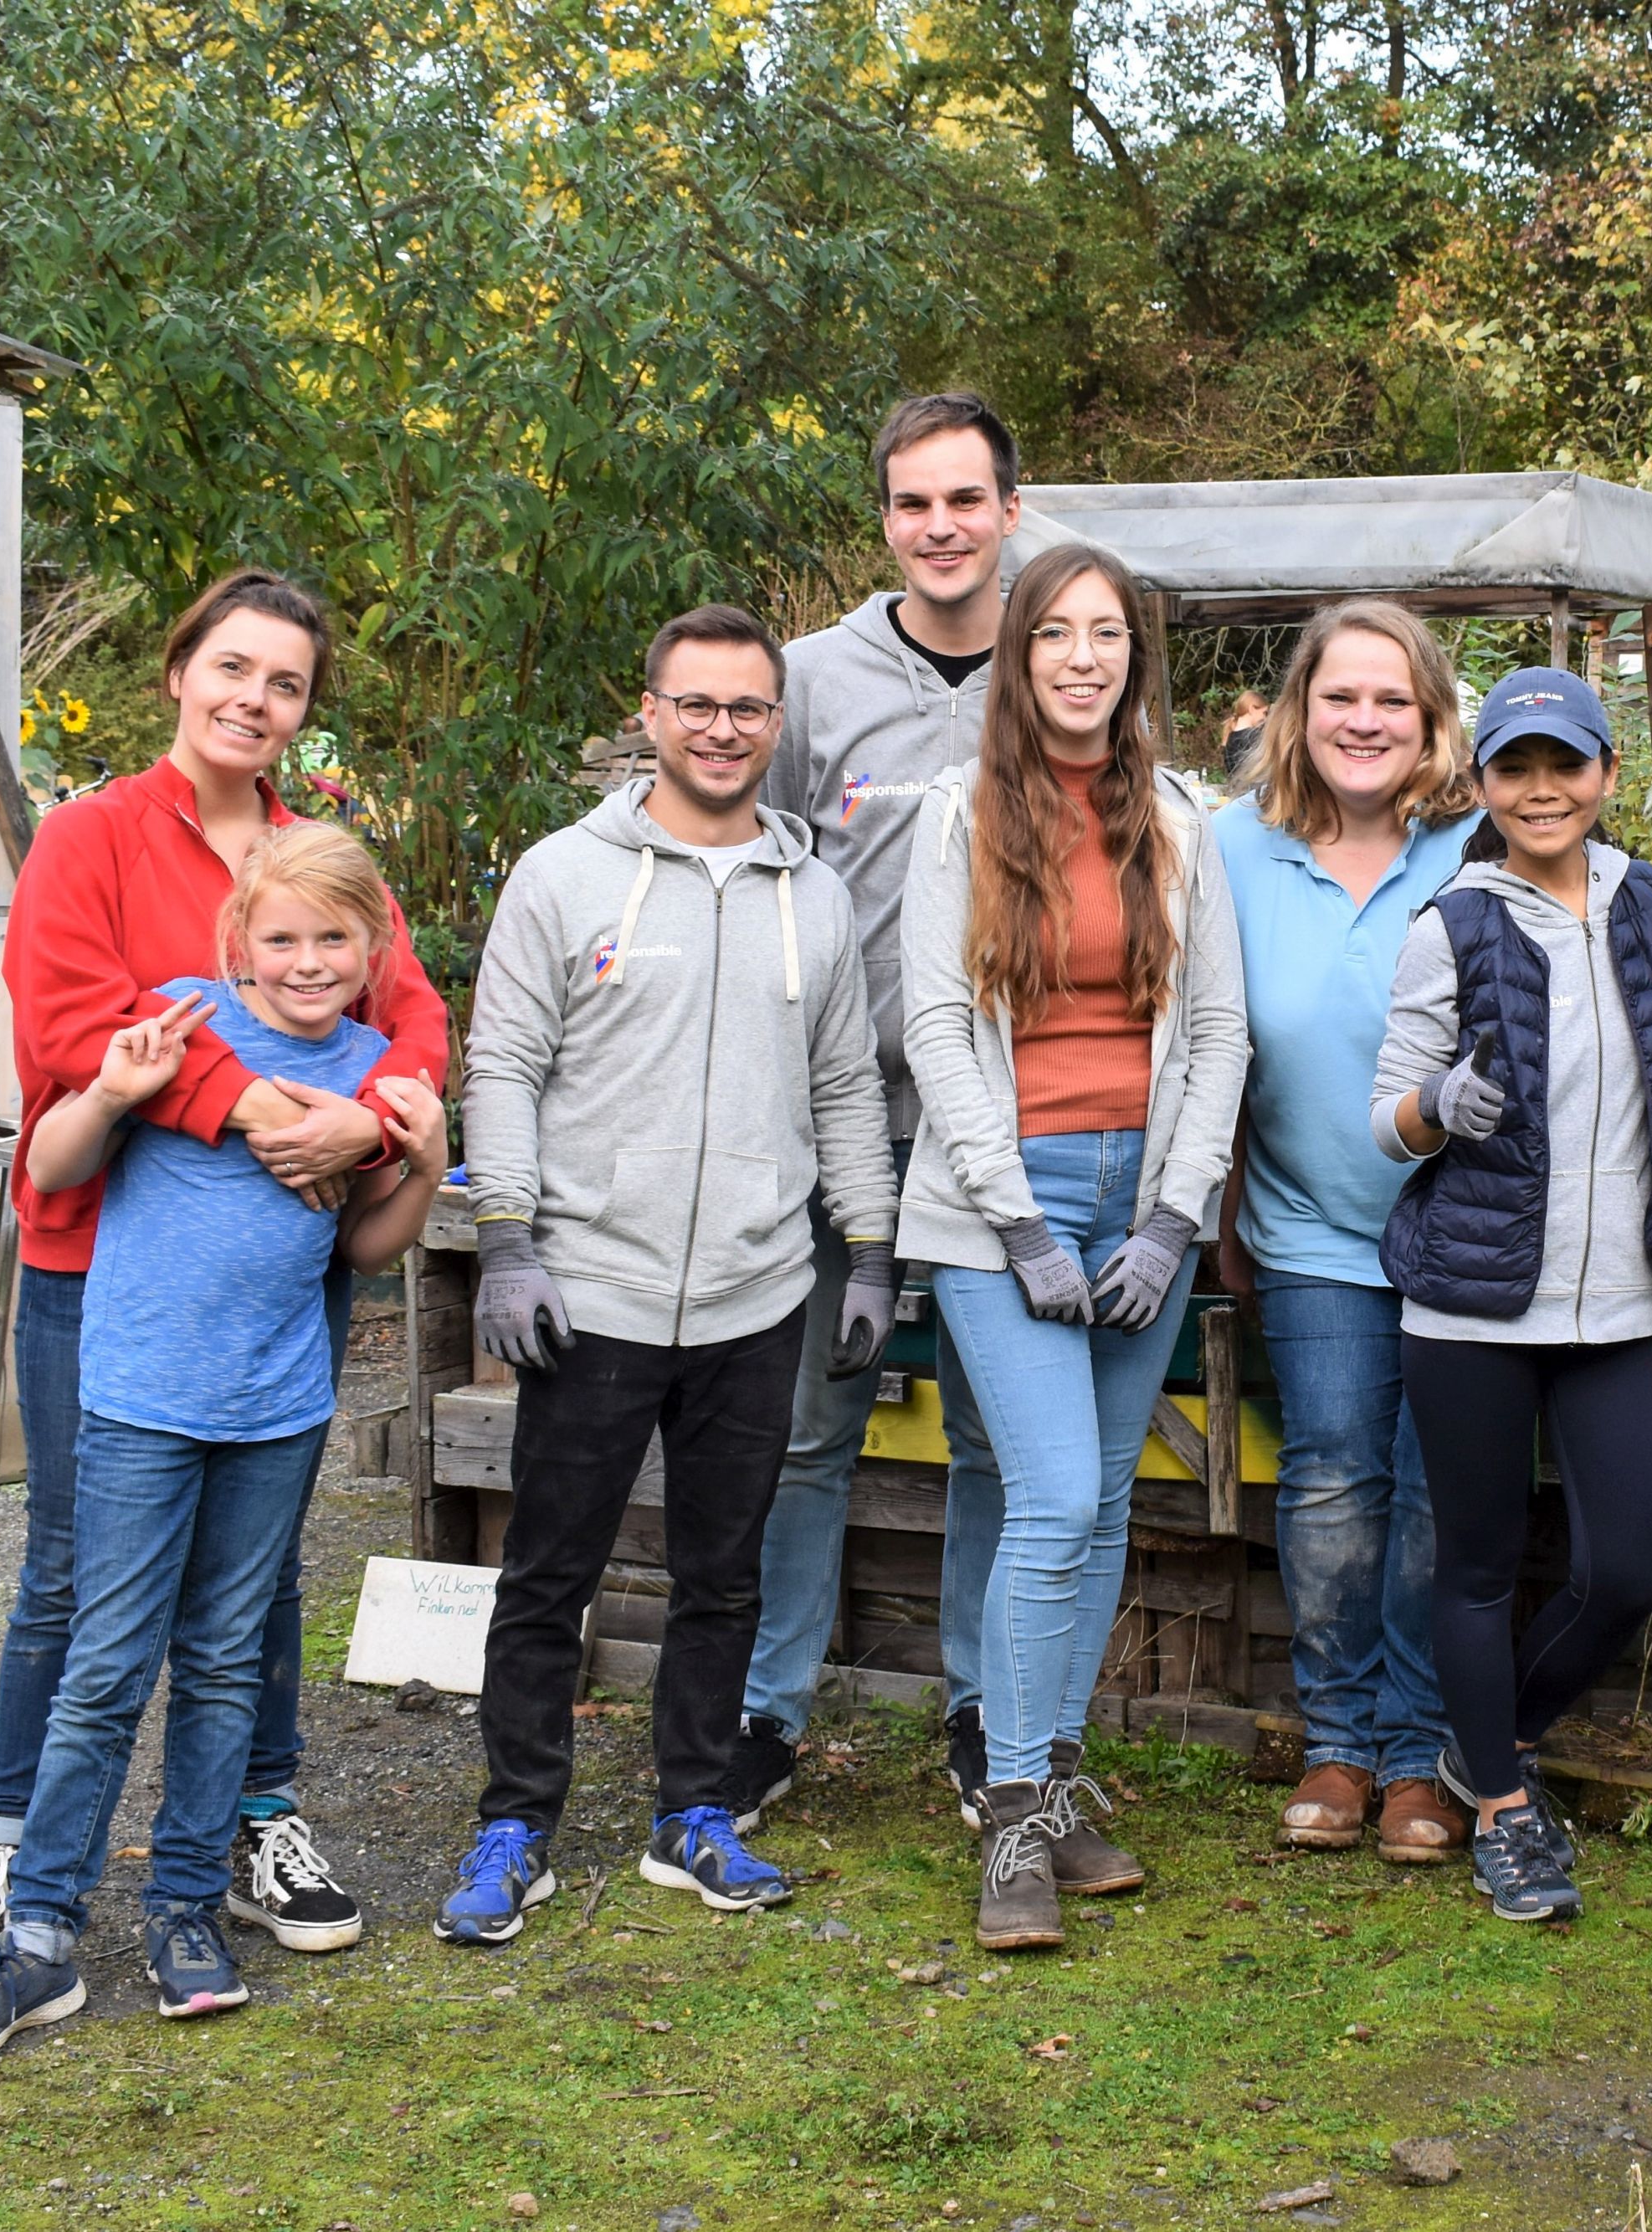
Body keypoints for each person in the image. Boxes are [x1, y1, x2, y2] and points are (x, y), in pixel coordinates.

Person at [0, 572, 447, 1995]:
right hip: (109, 1269)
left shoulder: (315, 853)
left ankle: (252, 1820)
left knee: (251, 1582)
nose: (255, 701)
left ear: (306, 711)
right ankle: (15, 1846)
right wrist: (266, 1107)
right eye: (234, 669)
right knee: (79, 1574)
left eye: (287, 685)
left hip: (284, 1266)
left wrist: (378, 1113)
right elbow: (76, 1019)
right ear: (179, 672)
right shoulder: (91, 837)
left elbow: (412, 1010)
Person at [437, 603, 900, 1945]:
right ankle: (515, 1817)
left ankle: (693, 1809)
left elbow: (843, 1090)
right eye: (695, 704)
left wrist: (866, 1247)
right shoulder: (565, 876)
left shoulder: (813, 897)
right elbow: (504, 1061)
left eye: (748, 707)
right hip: (592, 1291)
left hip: (759, 1294)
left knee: (725, 1570)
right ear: (649, 712)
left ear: (776, 723)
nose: (721, 728)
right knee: (548, 1569)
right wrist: (509, 1238)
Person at [898, 544, 1248, 1953]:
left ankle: (1049, 1775)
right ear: (1020, 654)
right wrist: (1024, 1224)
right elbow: (935, 1027)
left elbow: (1217, 1028)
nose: (1085, 657)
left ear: (1135, 660)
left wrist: (1174, 1216)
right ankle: (1014, 1809)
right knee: (1047, 1497)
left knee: (1102, 1502)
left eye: (1110, 635)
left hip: (1138, 1195)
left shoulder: (1180, 817)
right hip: (1003, 1206)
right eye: (1059, 633)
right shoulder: (956, 814)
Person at [1371, 665, 1652, 1927]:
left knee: (1627, 1570)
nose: (1543, 788)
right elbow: (1382, 1125)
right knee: (1480, 1566)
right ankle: (1504, 1807)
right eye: (1517, 767)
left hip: (1617, 1300)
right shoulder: (1448, 923)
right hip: (1472, 1301)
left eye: (1568, 763)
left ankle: (1472, 1748)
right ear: (1485, 784)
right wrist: (1437, 1106)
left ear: (1607, 774)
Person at [743, 392, 1018, 1829]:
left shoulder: (1058, 661)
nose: (939, 527)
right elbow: (760, 866)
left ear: (1007, 512)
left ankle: (984, 1709)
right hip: (841, 1119)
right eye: (914, 503)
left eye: (964, 500)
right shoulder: (811, 681)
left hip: (1000, 1123)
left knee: (990, 1432)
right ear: (887, 519)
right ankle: (764, 1712)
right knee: (807, 1427)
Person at [1210, 603, 1482, 1862]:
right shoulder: (1231, 849)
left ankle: (1428, 1745)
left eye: (1392, 700)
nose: (1364, 721)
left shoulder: (1482, 845)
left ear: (1431, 719)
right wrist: (1210, 1201)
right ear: (1296, 712)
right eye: (1340, 698)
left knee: (1441, 1491)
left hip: (1466, 1229)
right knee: (1331, 1476)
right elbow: (1203, 1036)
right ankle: (1338, 1739)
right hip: (1310, 1221)